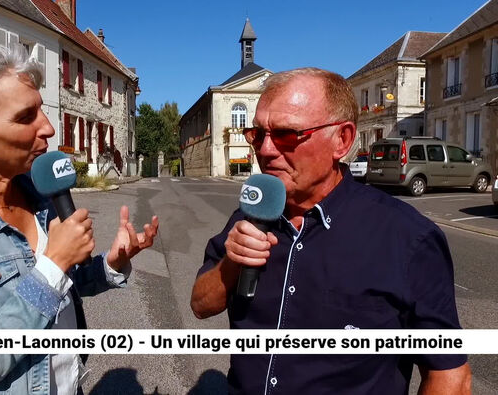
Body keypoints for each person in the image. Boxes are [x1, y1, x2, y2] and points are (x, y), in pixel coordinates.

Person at [190, 68, 471, 394]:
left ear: (342, 140)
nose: (265, 150)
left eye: (285, 134)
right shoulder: (252, 215)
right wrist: (232, 262)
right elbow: (200, 304)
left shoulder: (407, 238)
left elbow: (450, 375)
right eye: (258, 134)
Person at [0, 44, 158, 395]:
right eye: (26, 117)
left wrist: (111, 264)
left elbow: (67, 284)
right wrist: (55, 263)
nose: (49, 128)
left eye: (42, 111)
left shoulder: (39, 196)